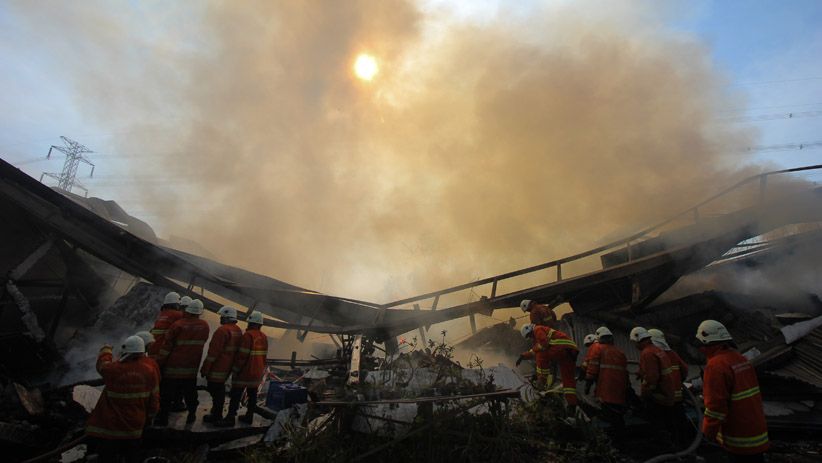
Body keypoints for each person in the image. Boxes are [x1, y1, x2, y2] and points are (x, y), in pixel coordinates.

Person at [696, 320, 769, 462]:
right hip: (756, 430)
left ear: (707, 343)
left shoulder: (715, 366)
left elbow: (715, 408)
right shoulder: (740, 359)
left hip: (738, 436)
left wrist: (707, 435)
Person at [86, 336, 160, 462]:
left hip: (111, 427)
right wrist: (150, 417)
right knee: (132, 457)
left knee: (107, 458)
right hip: (134, 427)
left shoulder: (113, 369)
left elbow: (102, 365)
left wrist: (106, 350)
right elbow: (154, 399)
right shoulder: (149, 371)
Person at [155, 299, 210, 425]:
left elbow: (166, 346)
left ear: (187, 310)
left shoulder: (178, 325)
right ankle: (191, 414)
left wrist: (159, 362)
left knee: (166, 394)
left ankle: (163, 418)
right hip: (191, 368)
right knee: (190, 393)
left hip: (173, 367)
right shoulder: (205, 326)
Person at [218, 310, 269, 427]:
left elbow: (242, 356)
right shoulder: (264, 337)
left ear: (250, 323)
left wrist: (235, 370)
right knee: (252, 395)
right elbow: (264, 356)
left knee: (236, 394)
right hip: (257, 373)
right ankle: (249, 416)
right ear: (260, 324)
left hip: (245, 372)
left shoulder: (248, 336)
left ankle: (230, 417)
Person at [630, 326, 678, 442]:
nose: (635, 346)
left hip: (658, 396)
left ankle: (665, 446)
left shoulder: (647, 353)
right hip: (667, 394)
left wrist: (645, 395)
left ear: (638, 340)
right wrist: (641, 373)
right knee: (669, 422)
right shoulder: (657, 350)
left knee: (658, 424)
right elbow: (654, 369)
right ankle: (674, 444)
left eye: (634, 343)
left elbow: (652, 378)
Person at [517, 322, 579, 408]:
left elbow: (543, 345)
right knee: (567, 379)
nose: (530, 337)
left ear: (530, 330)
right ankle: (572, 405)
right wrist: (523, 356)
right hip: (569, 351)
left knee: (541, 355)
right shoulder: (539, 333)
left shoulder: (537, 329)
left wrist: (540, 377)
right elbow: (536, 349)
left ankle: (542, 382)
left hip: (561, 348)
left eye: (529, 335)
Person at [201, 306, 243, 423]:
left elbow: (213, 353)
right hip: (228, 367)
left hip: (218, 367)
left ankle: (216, 414)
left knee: (215, 389)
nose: (220, 319)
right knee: (219, 389)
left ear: (226, 317)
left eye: (222, 317)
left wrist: (205, 369)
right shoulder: (238, 330)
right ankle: (216, 412)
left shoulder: (222, 331)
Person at [585, 326, 628, 432]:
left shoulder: (598, 348)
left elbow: (593, 368)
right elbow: (625, 373)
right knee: (617, 413)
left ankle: (613, 438)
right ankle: (622, 434)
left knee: (609, 415)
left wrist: (588, 384)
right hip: (620, 388)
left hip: (606, 388)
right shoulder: (620, 352)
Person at [148, 292, 182, 358]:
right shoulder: (177, 314)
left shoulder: (162, 314)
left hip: (152, 348)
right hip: (161, 350)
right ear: (176, 304)